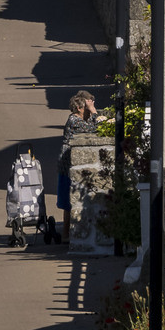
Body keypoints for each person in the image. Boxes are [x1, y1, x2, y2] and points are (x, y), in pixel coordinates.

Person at [55, 90, 97, 246]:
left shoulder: (77, 119)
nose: (90, 108)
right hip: (67, 166)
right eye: (87, 105)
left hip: (68, 163)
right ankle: (66, 234)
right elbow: (94, 128)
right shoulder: (74, 120)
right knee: (68, 200)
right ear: (80, 108)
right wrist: (94, 112)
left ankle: (67, 233)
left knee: (69, 200)